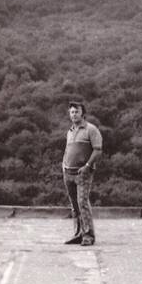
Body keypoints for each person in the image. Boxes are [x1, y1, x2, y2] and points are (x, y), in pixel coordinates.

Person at [63, 101, 102, 246]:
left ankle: (88, 235)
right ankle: (78, 234)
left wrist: (87, 166)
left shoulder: (91, 129)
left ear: (83, 113)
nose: (74, 114)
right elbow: (68, 150)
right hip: (68, 173)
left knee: (82, 202)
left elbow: (98, 150)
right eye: (72, 112)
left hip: (83, 173)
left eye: (76, 112)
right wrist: (63, 166)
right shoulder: (70, 131)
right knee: (74, 205)